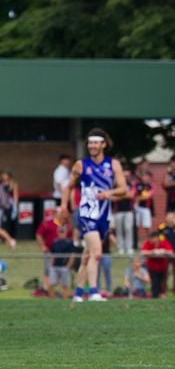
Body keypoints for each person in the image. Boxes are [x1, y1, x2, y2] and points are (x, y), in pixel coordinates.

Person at [59, 128, 127, 302]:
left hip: (103, 216)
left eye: (96, 142)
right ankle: (95, 292)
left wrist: (109, 193)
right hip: (87, 213)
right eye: (90, 143)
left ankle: (78, 294)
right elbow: (68, 187)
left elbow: (123, 189)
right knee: (97, 253)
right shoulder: (81, 165)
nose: (92, 146)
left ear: (103, 144)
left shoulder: (113, 164)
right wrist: (63, 206)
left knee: (87, 256)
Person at [36, 206, 71, 293]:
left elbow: (70, 236)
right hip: (51, 251)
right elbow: (38, 234)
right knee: (48, 269)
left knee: (64, 270)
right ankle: (46, 288)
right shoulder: (47, 223)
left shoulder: (66, 225)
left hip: (64, 253)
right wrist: (42, 246)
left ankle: (64, 289)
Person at [157, 212, 175, 297]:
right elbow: (161, 240)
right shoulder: (162, 227)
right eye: (169, 217)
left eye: (172, 217)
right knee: (164, 273)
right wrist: (166, 250)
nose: (170, 219)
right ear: (166, 218)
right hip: (166, 254)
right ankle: (163, 292)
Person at [48, 225, 79, 298]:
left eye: (63, 232)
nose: (61, 233)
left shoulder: (69, 242)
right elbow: (52, 254)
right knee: (51, 284)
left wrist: (68, 266)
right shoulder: (55, 242)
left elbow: (72, 255)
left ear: (66, 232)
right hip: (55, 266)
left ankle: (65, 299)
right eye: (60, 232)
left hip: (64, 266)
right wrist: (51, 265)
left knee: (65, 285)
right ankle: (52, 299)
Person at [141, 229, 173, 299]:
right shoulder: (148, 243)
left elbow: (171, 252)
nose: (154, 240)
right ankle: (155, 297)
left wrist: (164, 251)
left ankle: (161, 297)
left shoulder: (164, 242)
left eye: (155, 237)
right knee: (154, 283)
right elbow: (143, 252)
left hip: (162, 268)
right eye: (152, 238)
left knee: (161, 284)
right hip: (152, 268)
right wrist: (152, 252)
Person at [112, 165, 136, 254]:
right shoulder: (116, 185)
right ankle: (120, 247)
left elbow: (132, 195)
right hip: (118, 210)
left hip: (129, 210)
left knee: (128, 228)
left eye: (127, 176)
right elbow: (113, 197)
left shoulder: (131, 184)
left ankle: (129, 247)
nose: (126, 178)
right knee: (119, 229)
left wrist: (120, 195)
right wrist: (125, 195)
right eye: (124, 176)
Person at [133, 162, 155, 243]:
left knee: (147, 226)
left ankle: (149, 240)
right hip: (137, 207)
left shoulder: (151, 185)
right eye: (143, 176)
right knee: (136, 225)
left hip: (146, 208)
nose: (145, 178)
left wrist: (138, 198)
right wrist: (138, 198)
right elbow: (133, 195)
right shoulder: (137, 184)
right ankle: (136, 241)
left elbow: (148, 196)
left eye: (146, 176)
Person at [0, 170, 19, 238]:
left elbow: (15, 196)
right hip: (1, 206)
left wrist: (15, 207)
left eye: (5, 175)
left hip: (9, 206)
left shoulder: (13, 184)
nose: (4, 177)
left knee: (9, 223)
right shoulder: (1, 185)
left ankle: (10, 237)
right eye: (3, 175)